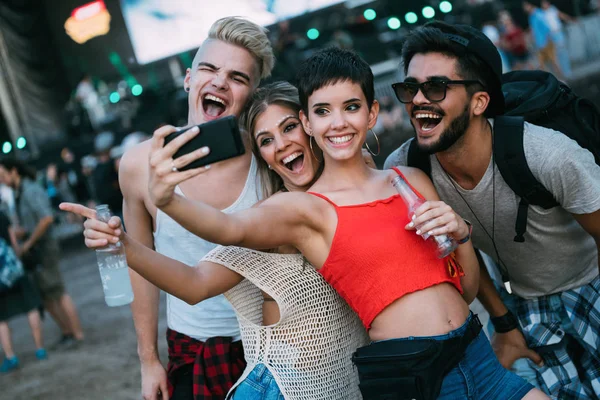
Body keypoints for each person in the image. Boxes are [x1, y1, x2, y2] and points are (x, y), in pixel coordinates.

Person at [141, 46, 546, 399]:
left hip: (475, 353)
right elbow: (225, 232)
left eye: (351, 107)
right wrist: (167, 201)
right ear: (310, 122)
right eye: (322, 112)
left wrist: (460, 232)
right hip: (406, 373)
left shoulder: (408, 180)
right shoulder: (300, 210)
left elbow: (464, 287)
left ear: (372, 114)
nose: (337, 123)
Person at [61, 81, 370, 399]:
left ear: (309, 125)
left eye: (289, 127)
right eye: (265, 140)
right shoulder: (276, 215)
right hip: (285, 387)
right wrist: (124, 243)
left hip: (350, 377)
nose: (280, 144)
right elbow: (196, 283)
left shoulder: (360, 185)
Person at [384, 20, 600, 399]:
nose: (418, 100)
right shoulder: (407, 172)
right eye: (410, 88)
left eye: (435, 87)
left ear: (479, 101)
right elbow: (458, 250)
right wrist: (502, 322)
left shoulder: (548, 156)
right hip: (521, 305)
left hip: (592, 287)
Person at [115, 17, 275, 400]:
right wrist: (149, 360)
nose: (220, 81)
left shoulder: (270, 158)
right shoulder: (138, 165)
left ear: (252, 94)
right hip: (192, 352)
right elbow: (141, 268)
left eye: (237, 77)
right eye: (209, 68)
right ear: (188, 79)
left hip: (270, 347)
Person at [0, 159, 84, 349]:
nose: (2, 180)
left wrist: (28, 242)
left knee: (58, 292)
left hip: (44, 248)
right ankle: (67, 332)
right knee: (46, 295)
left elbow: (46, 218)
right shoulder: (20, 192)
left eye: (3, 175)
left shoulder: (30, 190)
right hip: (37, 249)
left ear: (14, 171)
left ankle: (77, 334)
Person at [0, 208, 47, 373]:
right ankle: (40, 349)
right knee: (30, 306)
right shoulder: (1, 214)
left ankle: (11, 356)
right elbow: (13, 242)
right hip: (14, 270)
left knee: (2, 319)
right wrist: (17, 259)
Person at [523, 1, 565, 80]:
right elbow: (534, 29)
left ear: (530, 5)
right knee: (543, 65)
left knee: (554, 62)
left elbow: (547, 28)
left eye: (525, 6)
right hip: (540, 44)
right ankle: (555, 81)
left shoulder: (538, 14)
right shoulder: (531, 16)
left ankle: (563, 80)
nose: (524, 8)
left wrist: (548, 41)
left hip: (546, 42)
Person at [540, 0, 575, 79]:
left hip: (558, 33)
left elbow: (561, 15)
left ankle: (567, 71)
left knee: (563, 52)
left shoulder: (552, 9)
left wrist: (570, 19)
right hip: (551, 35)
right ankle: (563, 73)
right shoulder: (542, 14)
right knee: (556, 55)